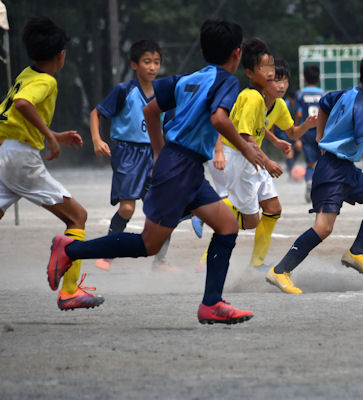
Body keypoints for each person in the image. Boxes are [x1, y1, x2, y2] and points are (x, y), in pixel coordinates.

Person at [47, 18, 264, 324]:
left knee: (227, 226)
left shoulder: (187, 79)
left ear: (203, 51)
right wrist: (246, 148)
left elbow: (151, 110)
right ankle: (71, 249)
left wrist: (161, 151)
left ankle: (212, 304)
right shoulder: (227, 81)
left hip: (185, 167)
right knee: (148, 244)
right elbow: (219, 119)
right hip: (180, 168)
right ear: (237, 53)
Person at [265, 47, 363, 294]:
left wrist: (320, 135)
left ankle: (355, 253)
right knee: (323, 228)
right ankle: (280, 271)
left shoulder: (350, 93)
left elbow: (325, 102)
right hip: (332, 171)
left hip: (345, 167)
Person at [0, 17, 104, 310]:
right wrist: (49, 136)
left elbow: (15, 116)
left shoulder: (26, 74)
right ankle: (70, 292)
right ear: (61, 55)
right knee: (77, 217)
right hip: (21, 160)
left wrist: (55, 135)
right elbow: (22, 104)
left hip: (7, 152)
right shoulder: (47, 81)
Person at [194, 55, 316, 270]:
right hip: (235, 154)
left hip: (251, 156)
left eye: (285, 80)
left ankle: (256, 263)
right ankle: (204, 217)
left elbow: (289, 132)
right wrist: (264, 160)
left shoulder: (278, 104)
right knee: (244, 216)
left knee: (273, 209)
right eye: (276, 80)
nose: (281, 85)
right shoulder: (252, 98)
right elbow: (239, 130)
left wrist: (304, 126)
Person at [89, 39, 177, 272]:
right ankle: (108, 252)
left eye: (156, 62)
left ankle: (160, 261)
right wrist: (97, 139)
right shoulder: (124, 90)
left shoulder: (164, 93)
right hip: (127, 153)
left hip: (154, 153)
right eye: (147, 61)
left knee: (165, 210)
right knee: (127, 208)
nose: (152, 67)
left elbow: (170, 127)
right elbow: (96, 113)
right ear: (135, 64)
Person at [295, 64, 325, 202]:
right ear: (318, 79)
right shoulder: (323, 94)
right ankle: (320, 188)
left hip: (306, 131)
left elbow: (299, 114)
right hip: (320, 132)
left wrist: (297, 132)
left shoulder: (300, 94)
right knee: (322, 162)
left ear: (305, 79)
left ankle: (308, 181)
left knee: (310, 163)